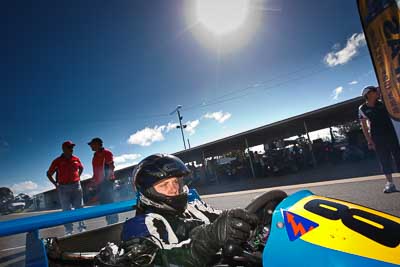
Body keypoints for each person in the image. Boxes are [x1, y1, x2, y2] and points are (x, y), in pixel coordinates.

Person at [95, 154, 259, 267]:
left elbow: (226, 219)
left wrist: (247, 219)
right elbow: (157, 261)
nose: (174, 189)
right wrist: (210, 239)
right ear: (148, 191)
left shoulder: (194, 207)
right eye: (164, 185)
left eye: (176, 182)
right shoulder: (141, 224)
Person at [359, 85, 400, 193]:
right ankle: (390, 184)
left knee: (398, 156)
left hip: (392, 134)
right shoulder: (362, 109)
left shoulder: (384, 103)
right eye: (374, 91)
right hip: (377, 137)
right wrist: (369, 140)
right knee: (384, 159)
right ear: (368, 94)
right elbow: (364, 126)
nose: (377, 91)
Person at [47, 141, 86, 235]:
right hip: (63, 188)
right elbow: (48, 174)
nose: (71, 149)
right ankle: (69, 230)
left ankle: (82, 227)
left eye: (72, 147)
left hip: (76, 186)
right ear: (64, 149)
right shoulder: (57, 161)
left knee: (79, 207)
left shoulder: (76, 159)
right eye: (69, 147)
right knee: (66, 209)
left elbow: (81, 168)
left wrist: (78, 177)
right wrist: (55, 184)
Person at [88, 137, 118, 224]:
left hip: (107, 183)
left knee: (109, 202)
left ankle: (114, 222)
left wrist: (108, 179)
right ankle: (109, 222)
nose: (91, 146)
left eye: (92, 144)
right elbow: (96, 171)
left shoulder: (107, 153)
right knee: (104, 204)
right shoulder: (95, 156)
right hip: (100, 184)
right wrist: (92, 181)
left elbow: (111, 166)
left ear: (97, 144)